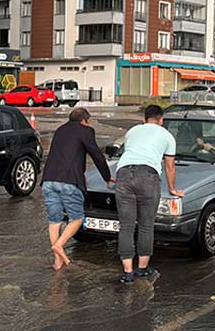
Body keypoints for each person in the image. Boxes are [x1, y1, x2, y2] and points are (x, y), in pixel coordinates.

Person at [116, 105, 184, 284]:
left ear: (144, 119)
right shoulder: (167, 136)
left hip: (123, 174)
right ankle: (142, 268)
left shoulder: (132, 131)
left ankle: (127, 273)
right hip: (147, 176)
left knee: (126, 226)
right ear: (161, 120)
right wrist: (172, 188)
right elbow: (170, 166)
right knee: (146, 225)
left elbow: (130, 152)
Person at [41, 108, 112, 271]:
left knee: (54, 221)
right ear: (85, 120)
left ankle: (57, 261)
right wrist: (107, 177)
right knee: (77, 219)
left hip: (48, 180)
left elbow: (63, 155)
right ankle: (59, 245)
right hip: (69, 182)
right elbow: (96, 154)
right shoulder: (86, 131)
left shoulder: (60, 130)